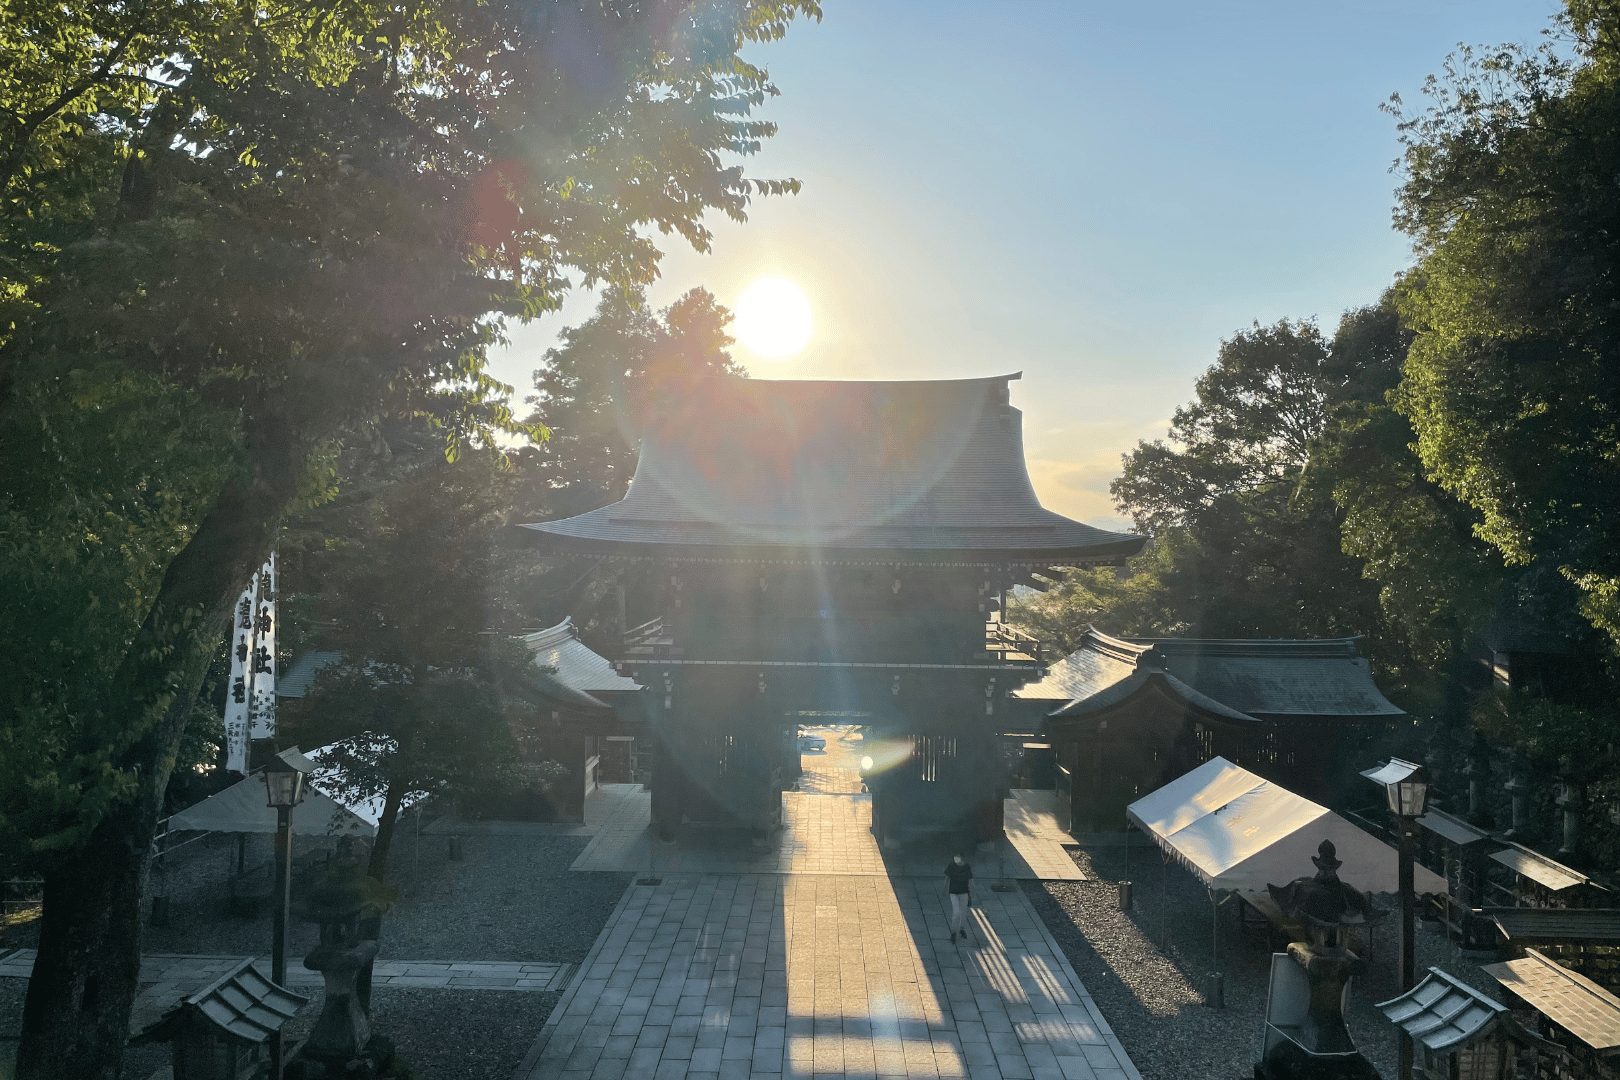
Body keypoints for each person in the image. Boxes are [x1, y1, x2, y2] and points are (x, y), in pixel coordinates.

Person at [944, 853, 973, 942]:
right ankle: (953, 932)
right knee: (956, 913)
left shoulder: (967, 867)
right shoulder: (952, 866)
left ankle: (962, 929)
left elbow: (970, 880)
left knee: (963, 913)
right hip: (953, 892)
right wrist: (945, 888)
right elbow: (947, 878)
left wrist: (970, 895)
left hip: (964, 892)